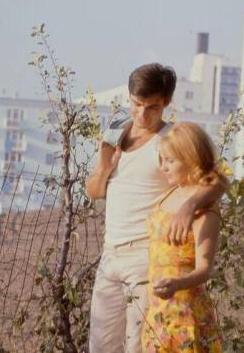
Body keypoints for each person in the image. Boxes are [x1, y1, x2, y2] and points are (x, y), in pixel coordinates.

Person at [86, 63, 226, 353]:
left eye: (152, 107)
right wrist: (103, 167)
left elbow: (219, 181)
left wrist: (189, 206)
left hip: (144, 256)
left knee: (138, 347)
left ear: (166, 103)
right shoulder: (116, 133)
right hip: (110, 255)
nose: (141, 114)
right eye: (136, 104)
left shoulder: (171, 140)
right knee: (101, 348)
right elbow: (94, 191)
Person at [141, 122, 225, 352]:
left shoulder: (204, 211)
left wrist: (177, 284)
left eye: (170, 161)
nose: (163, 168)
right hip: (158, 313)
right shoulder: (171, 192)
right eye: (162, 160)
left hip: (186, 315)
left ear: (191, 160)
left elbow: (204, 270)